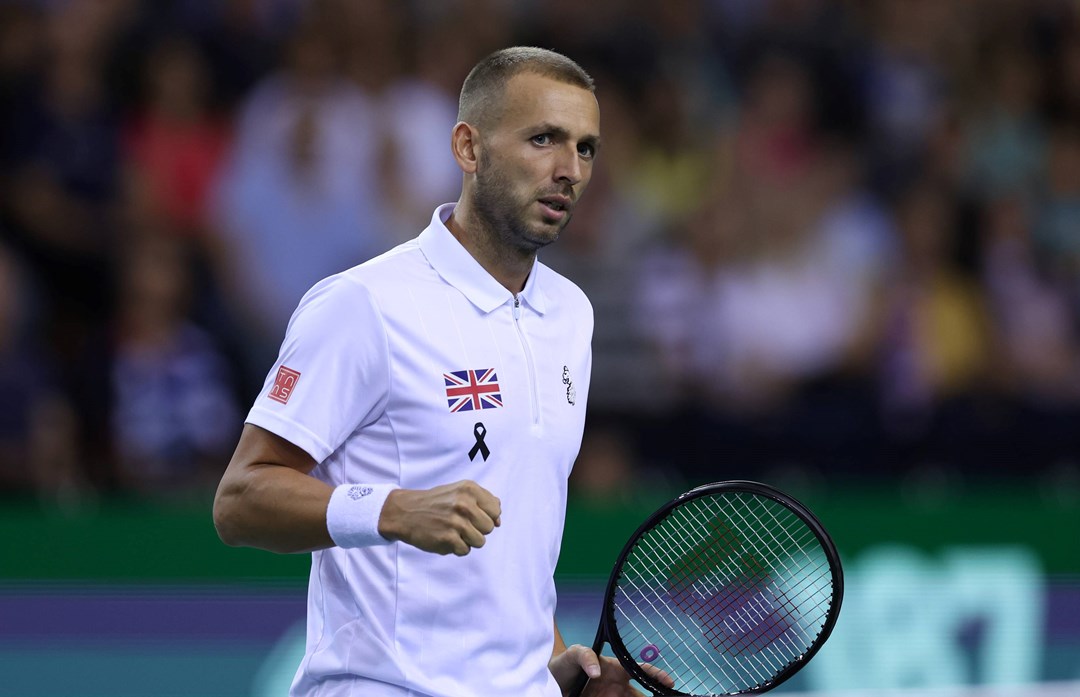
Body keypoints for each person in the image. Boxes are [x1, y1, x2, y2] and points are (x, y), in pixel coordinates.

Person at [213, 46, 669, 697]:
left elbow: (510, 562)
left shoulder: (572, 316)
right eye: (543, 139)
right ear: (468, 147)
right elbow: (240, 499)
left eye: (587, 148)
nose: (569, 169)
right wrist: (393, 510)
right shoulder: (364, 304)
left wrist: (558, 664)